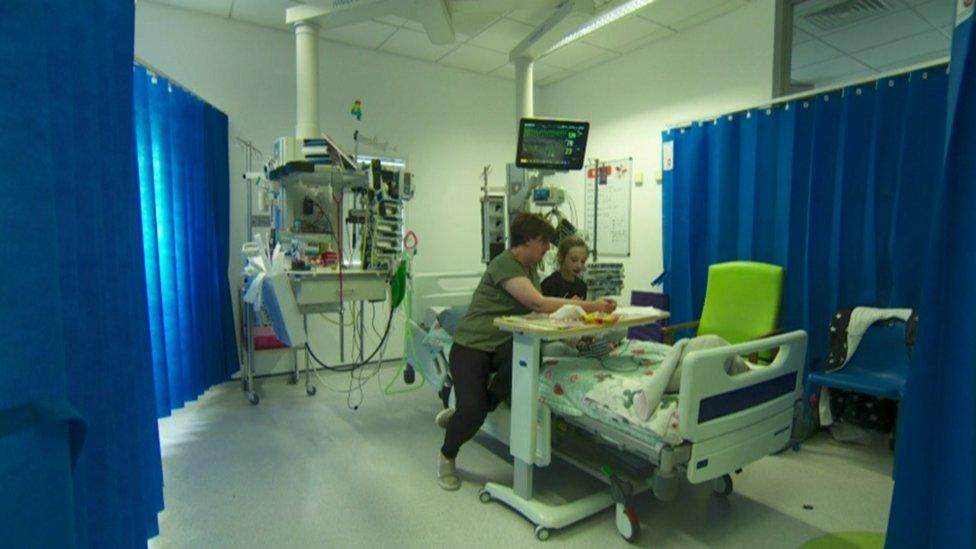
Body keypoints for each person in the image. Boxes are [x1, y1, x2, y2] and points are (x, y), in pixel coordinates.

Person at [436, 214, 616, 491]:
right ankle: (448, 455)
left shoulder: (530, 270)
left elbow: (534, 312)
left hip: (503, 344)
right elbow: (537, 302)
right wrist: (593, 307)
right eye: (544, 242)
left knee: (531, 355)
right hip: (471, 346)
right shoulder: (504, 264)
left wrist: (573, 321)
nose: (547, 249)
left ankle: (466, 415)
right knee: (472, 412)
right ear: (529, 240)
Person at [541, 235, 589, 300]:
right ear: (561, 258)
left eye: (583, 261)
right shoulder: (549, 285)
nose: (579, 265)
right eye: (574, 260)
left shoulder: (581, 286)